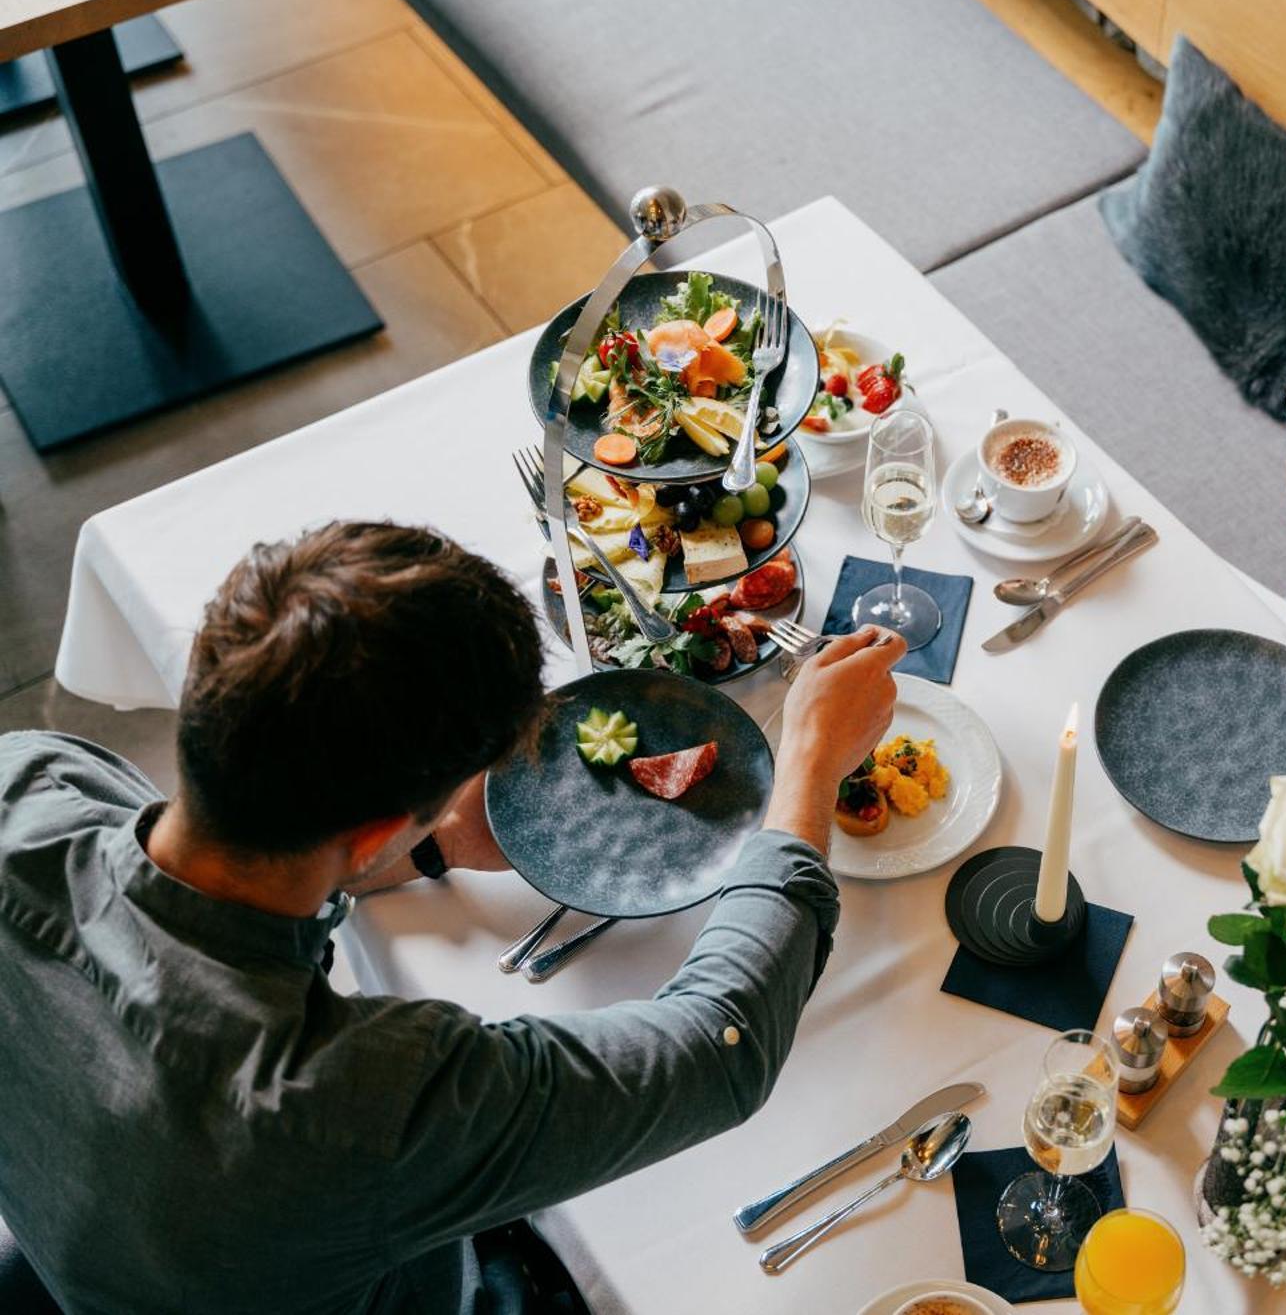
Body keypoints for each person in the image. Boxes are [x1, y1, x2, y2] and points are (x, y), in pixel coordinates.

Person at [0, 521, 904, 1313]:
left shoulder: (28, 778)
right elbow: (716, 1053)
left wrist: (431, 848)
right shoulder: (350, 1100)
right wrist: (810, 769)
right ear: (378, 829)